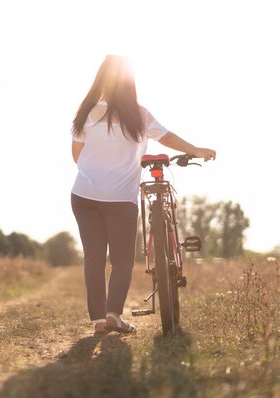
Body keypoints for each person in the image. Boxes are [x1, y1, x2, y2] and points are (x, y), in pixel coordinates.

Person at [70, 55, 216, 336]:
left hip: (84, 195)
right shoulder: (138, 114)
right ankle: (113, 315)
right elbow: (167, 138)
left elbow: (77, 156)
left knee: (94, 257)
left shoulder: (85, 112)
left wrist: (98, 170)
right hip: (119, 199)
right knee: (122, 260)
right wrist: (196, 149)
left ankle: (99, 317)